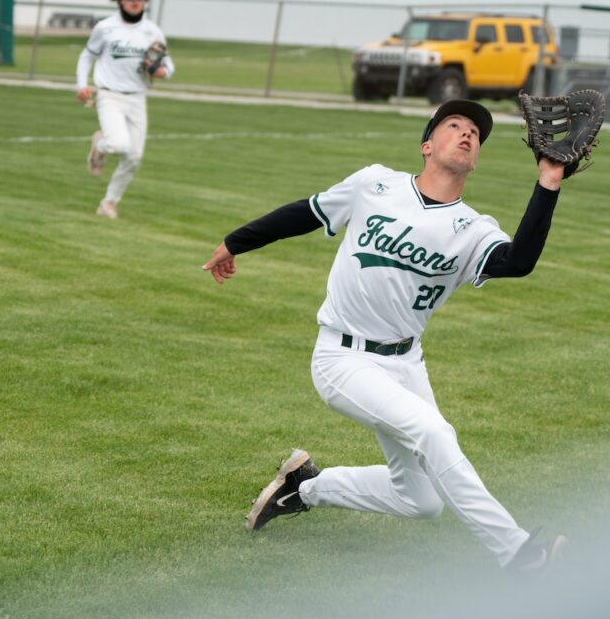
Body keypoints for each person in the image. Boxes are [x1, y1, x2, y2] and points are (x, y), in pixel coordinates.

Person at [202, 99, 569, 573]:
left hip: (406, 363)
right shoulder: (374, 184)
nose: (466, 133)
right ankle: (519, 553)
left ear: (476, 159)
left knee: (422, 500)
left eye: (475, 133)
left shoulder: (474, 229)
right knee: (433, 432)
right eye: (454, 125)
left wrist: (548, 182)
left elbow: (518, 262)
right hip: (342, 359)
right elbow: (305, 213)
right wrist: (235, 242)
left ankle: (304, 487)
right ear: (426, 146)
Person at [75, 0, 174, 220]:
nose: (135, 1)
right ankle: (100, 145)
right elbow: (86, 56)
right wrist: (81, 85)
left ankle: (109, 203)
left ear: (145, 0)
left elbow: (168, 67)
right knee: (118, 144)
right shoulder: (105, 27)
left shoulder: (152, 31)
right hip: (109, 94)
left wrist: (161, 71)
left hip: (137, 97)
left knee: (134, 157)